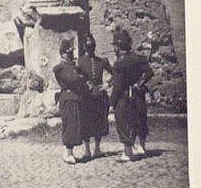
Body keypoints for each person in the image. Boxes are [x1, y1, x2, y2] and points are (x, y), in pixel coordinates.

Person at [110, 29, 155, 162]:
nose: (114, 49)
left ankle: (128, 152)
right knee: (137, 120)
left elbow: (117, 85)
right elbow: (149, 72)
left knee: (123, 122)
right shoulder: (138, 58)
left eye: (115, 46)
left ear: (118, 47)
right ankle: (140, 146)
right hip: (136, 95)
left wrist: (111, 102)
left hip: (123, 97)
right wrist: (140, 83)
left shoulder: (120, 63)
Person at [76, 32, 113, 160]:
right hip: (86, 97)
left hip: (99, 96)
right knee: (85, 122)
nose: (90, 49)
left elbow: (115, 74)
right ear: (84, 47)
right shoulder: (79, 62)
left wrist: (107, 84)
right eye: (88, 46)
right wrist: (84, 84)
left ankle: (97, 148)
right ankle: (87, 150)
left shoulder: (102, 61)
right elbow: (75, 78)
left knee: (99, 122)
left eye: (92, 46)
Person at [51, 38, 86, 163]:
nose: (70, 54)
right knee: (69, 124)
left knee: (75, 124)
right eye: (68, 52)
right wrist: (79, 76)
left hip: (76, 97)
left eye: (71, 52)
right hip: (67, 98)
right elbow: (72, 80)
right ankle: (68, 152)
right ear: (62, 53)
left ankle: (69, 152)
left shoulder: (74, 66)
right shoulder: (59, 68)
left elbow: (84, 76)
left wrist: (79, 75)